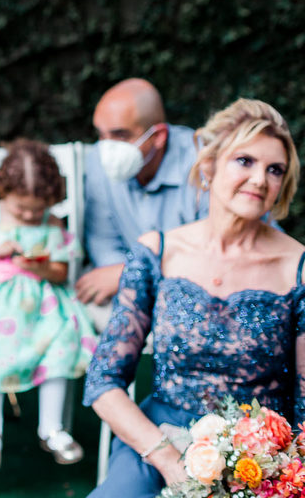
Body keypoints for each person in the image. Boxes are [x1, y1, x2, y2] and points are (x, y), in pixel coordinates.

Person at [85, 98, 305, 498]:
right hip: (159, 442)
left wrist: (275, 470)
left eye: (275, 170)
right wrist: (169, 460)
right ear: (210, 166)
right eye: (245, 161)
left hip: (258, 458)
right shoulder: (158, 251)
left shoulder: (298, 268)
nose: (259, 179)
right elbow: (104, 380)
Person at [0, 139, 96, 473]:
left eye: (36, 210)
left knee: (62, 342)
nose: (29, 215)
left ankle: (51, 428)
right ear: (3, 191)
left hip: (42, 303)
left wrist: (39, 267)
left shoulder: (53, 224)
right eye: (21, 209)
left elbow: (59, 271)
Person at [74, 79, 207, 327]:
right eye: (101, 135)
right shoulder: (98, 161)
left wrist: (131, 272)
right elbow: (103, 241)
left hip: (199, 285)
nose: (107, 147)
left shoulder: (204, 162)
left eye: (120, 135)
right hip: (131, 287)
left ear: (158, 136)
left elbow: (215, 250)